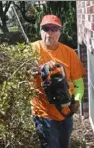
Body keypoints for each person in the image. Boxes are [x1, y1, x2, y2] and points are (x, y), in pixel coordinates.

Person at [31, 14, 86, 148]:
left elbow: (78, 82)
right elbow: (18, 73)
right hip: (43, 112)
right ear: (40, 31)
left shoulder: (69, 53)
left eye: (54, 29)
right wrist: (31, 70)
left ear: (60, 32)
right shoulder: (31, 50)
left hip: (66, 112)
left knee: (64, 144)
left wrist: (76, 100)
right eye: (46, 28)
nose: (50, 33)